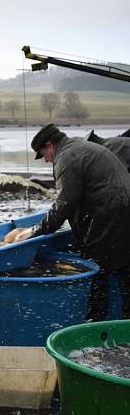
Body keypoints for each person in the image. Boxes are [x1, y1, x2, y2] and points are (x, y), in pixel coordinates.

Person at [31, 123, 130, 320]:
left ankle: (95, 321)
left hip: (111, 213)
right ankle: (124, 323)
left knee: (95, 266)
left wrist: (37, 230)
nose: (46, 161)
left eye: (44, 155)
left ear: (50, 145)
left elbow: (65, 204)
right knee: (125, 269)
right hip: (122, 210)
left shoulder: (66, 158)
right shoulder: (79, 146)